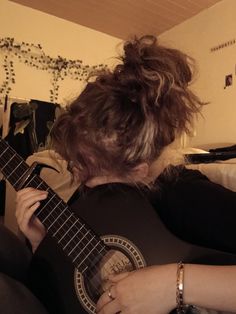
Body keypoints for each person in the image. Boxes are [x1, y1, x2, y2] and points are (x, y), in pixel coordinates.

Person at [10, 35, 236, 314]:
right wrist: (40, 241)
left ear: (140, 172)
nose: (77, 176)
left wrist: (173, 285)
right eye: (75, 163)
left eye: (89, 169)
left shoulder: (186, 198)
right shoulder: (91, 195)